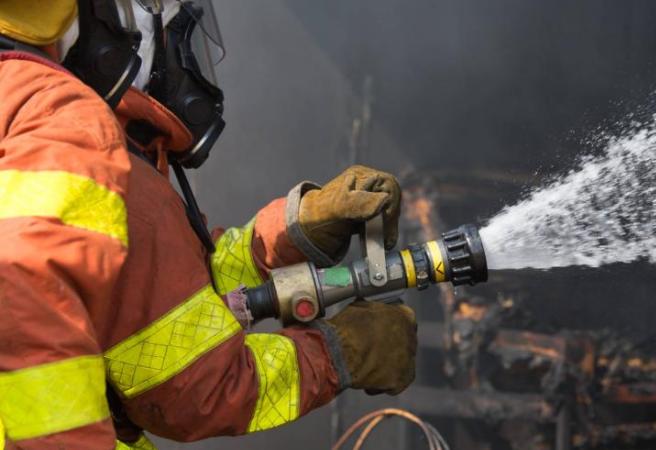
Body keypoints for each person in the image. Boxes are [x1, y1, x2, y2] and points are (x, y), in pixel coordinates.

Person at [0, 1, 417, 449]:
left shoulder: (19, 103)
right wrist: (340, 354)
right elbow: (189, 387)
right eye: (174, 33)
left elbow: (154, 307)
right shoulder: (64, 120)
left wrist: (292, 232)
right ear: (115, 24)